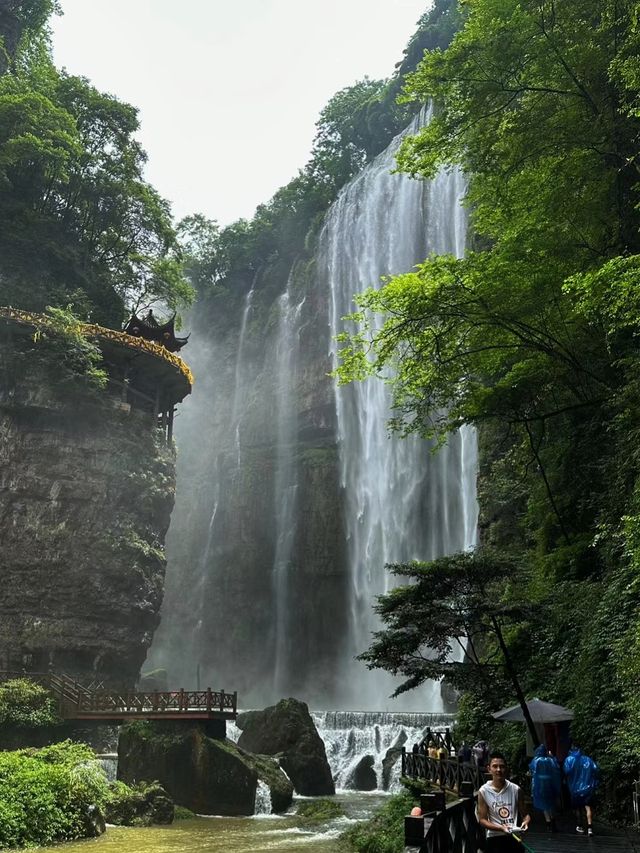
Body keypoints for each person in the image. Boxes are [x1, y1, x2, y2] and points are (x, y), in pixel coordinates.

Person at [478, 751, 531, 853]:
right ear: (489, 769)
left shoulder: (516, 789)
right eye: (495, 766)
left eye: (502, 766)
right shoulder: (483, 791)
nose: (499, 770)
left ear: (506, 768)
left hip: (514, 836)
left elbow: (525, 815)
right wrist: (501, 828)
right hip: (494, 838)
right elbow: (482, 820)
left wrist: (526, 822)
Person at [563, 746, 599, 836]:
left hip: (575, 789)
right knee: (588, 807)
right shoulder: (587, 759)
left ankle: (580, 826)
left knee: (578, 808)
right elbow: (595, 769)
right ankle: (590, 828)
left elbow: (566, 771)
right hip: (587, 788)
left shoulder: (569, 760)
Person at [529, 745, 561, 831]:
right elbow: (557, 769)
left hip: (540, 786)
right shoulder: (551, 760)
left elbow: (532, 770)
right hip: (550, 785)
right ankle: (553, 820)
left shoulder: (536, 760)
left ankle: (548, 823)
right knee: (550, 804)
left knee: (544, 805)